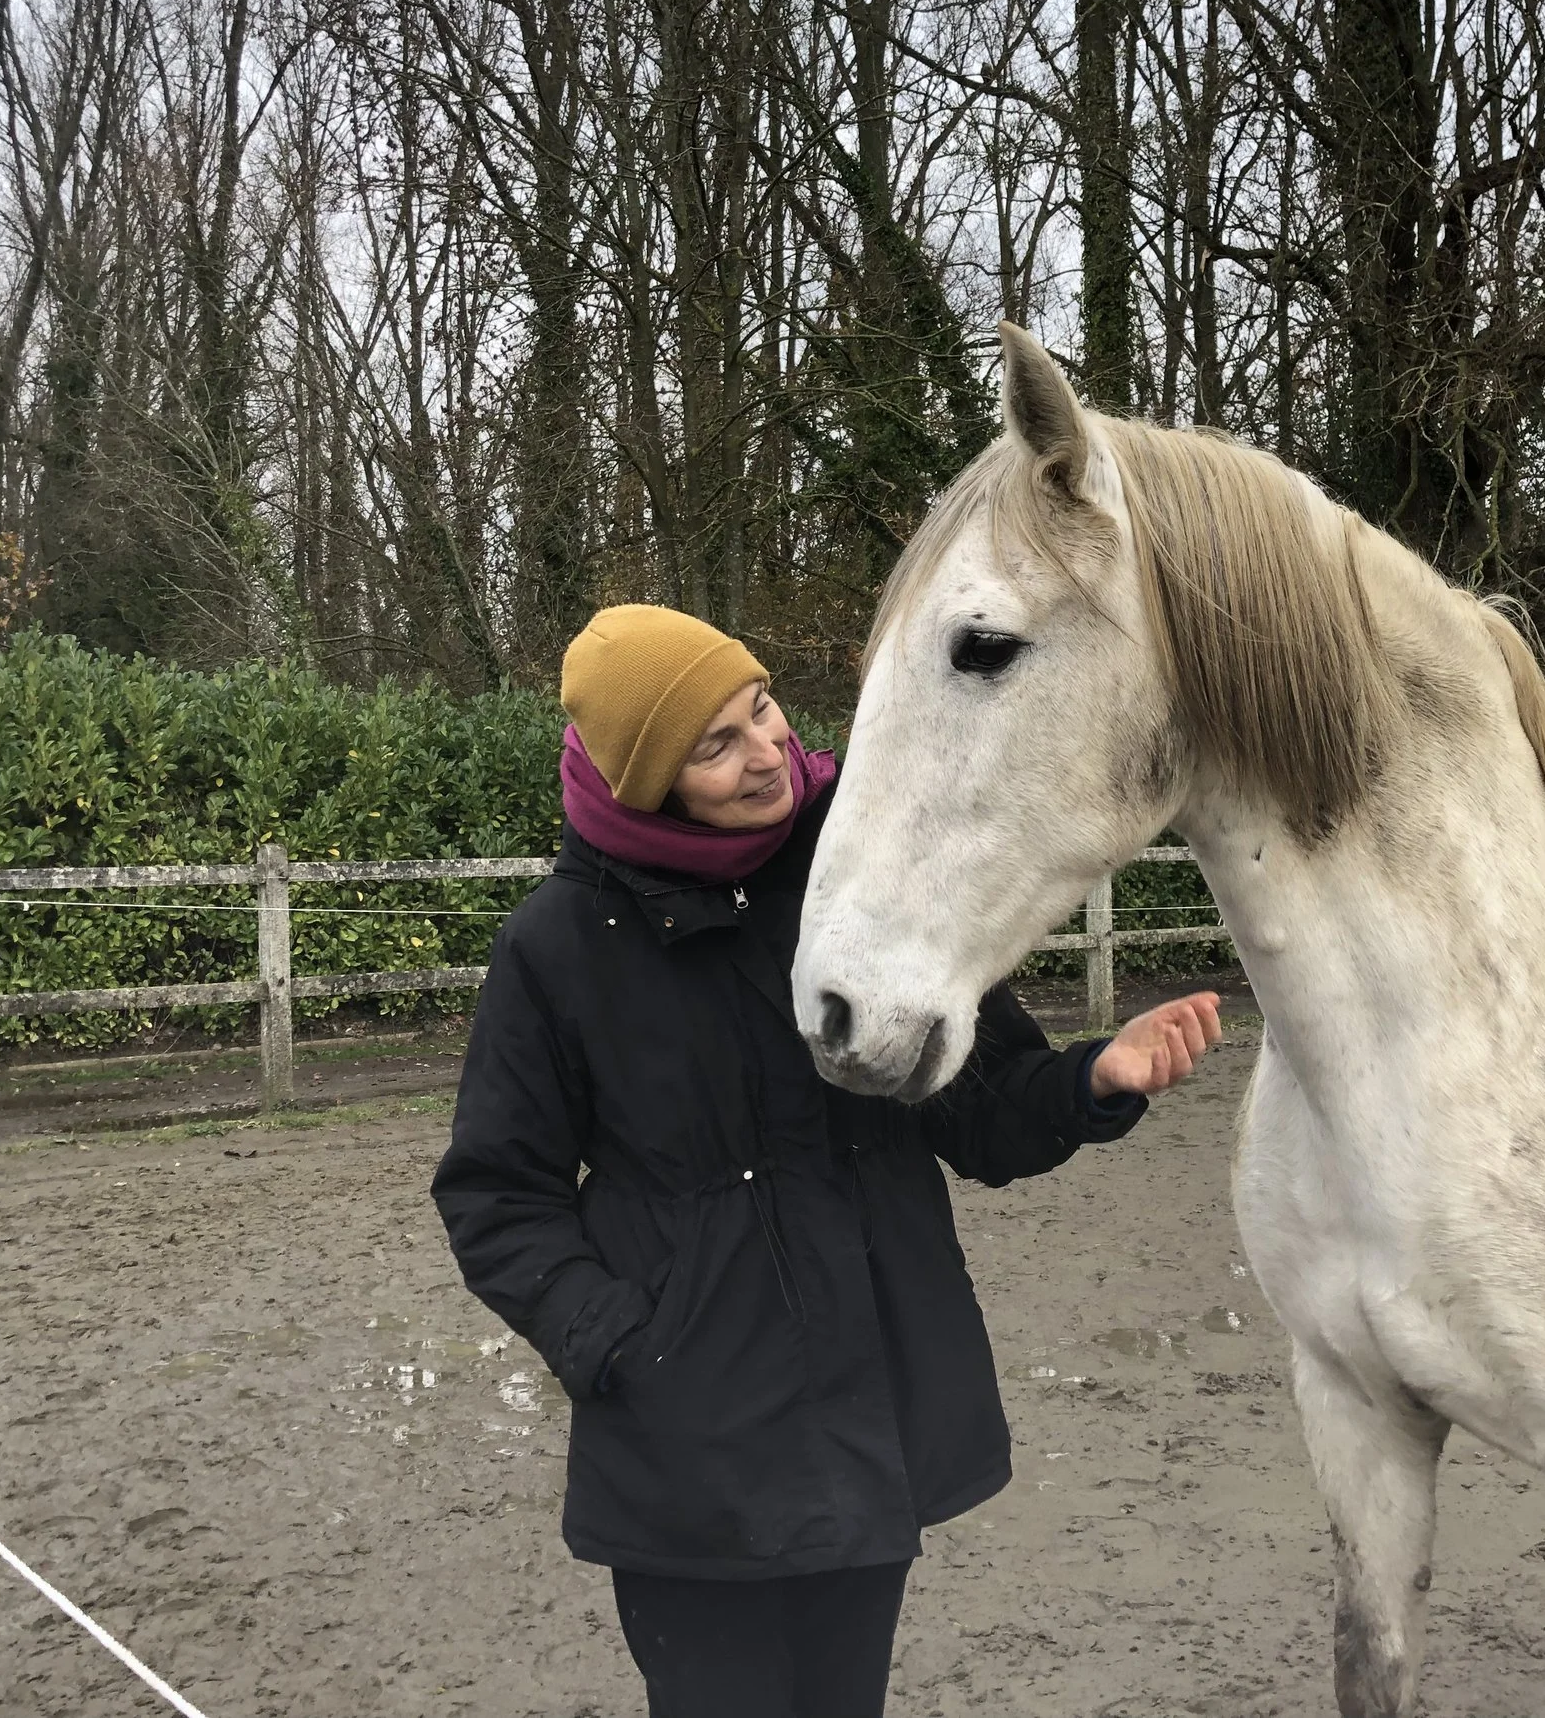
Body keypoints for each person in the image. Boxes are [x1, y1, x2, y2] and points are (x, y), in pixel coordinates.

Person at [433, 604, 1221, 1718]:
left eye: (760, 709)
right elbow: (496, 1197)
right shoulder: (556, 949)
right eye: (713, 744)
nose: (765, 753)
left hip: (866, 1411)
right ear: (645, 780)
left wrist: (1097, 1080)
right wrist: (617, 1344)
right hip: (686, 1451)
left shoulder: (872, 880)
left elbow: (983, 1112)